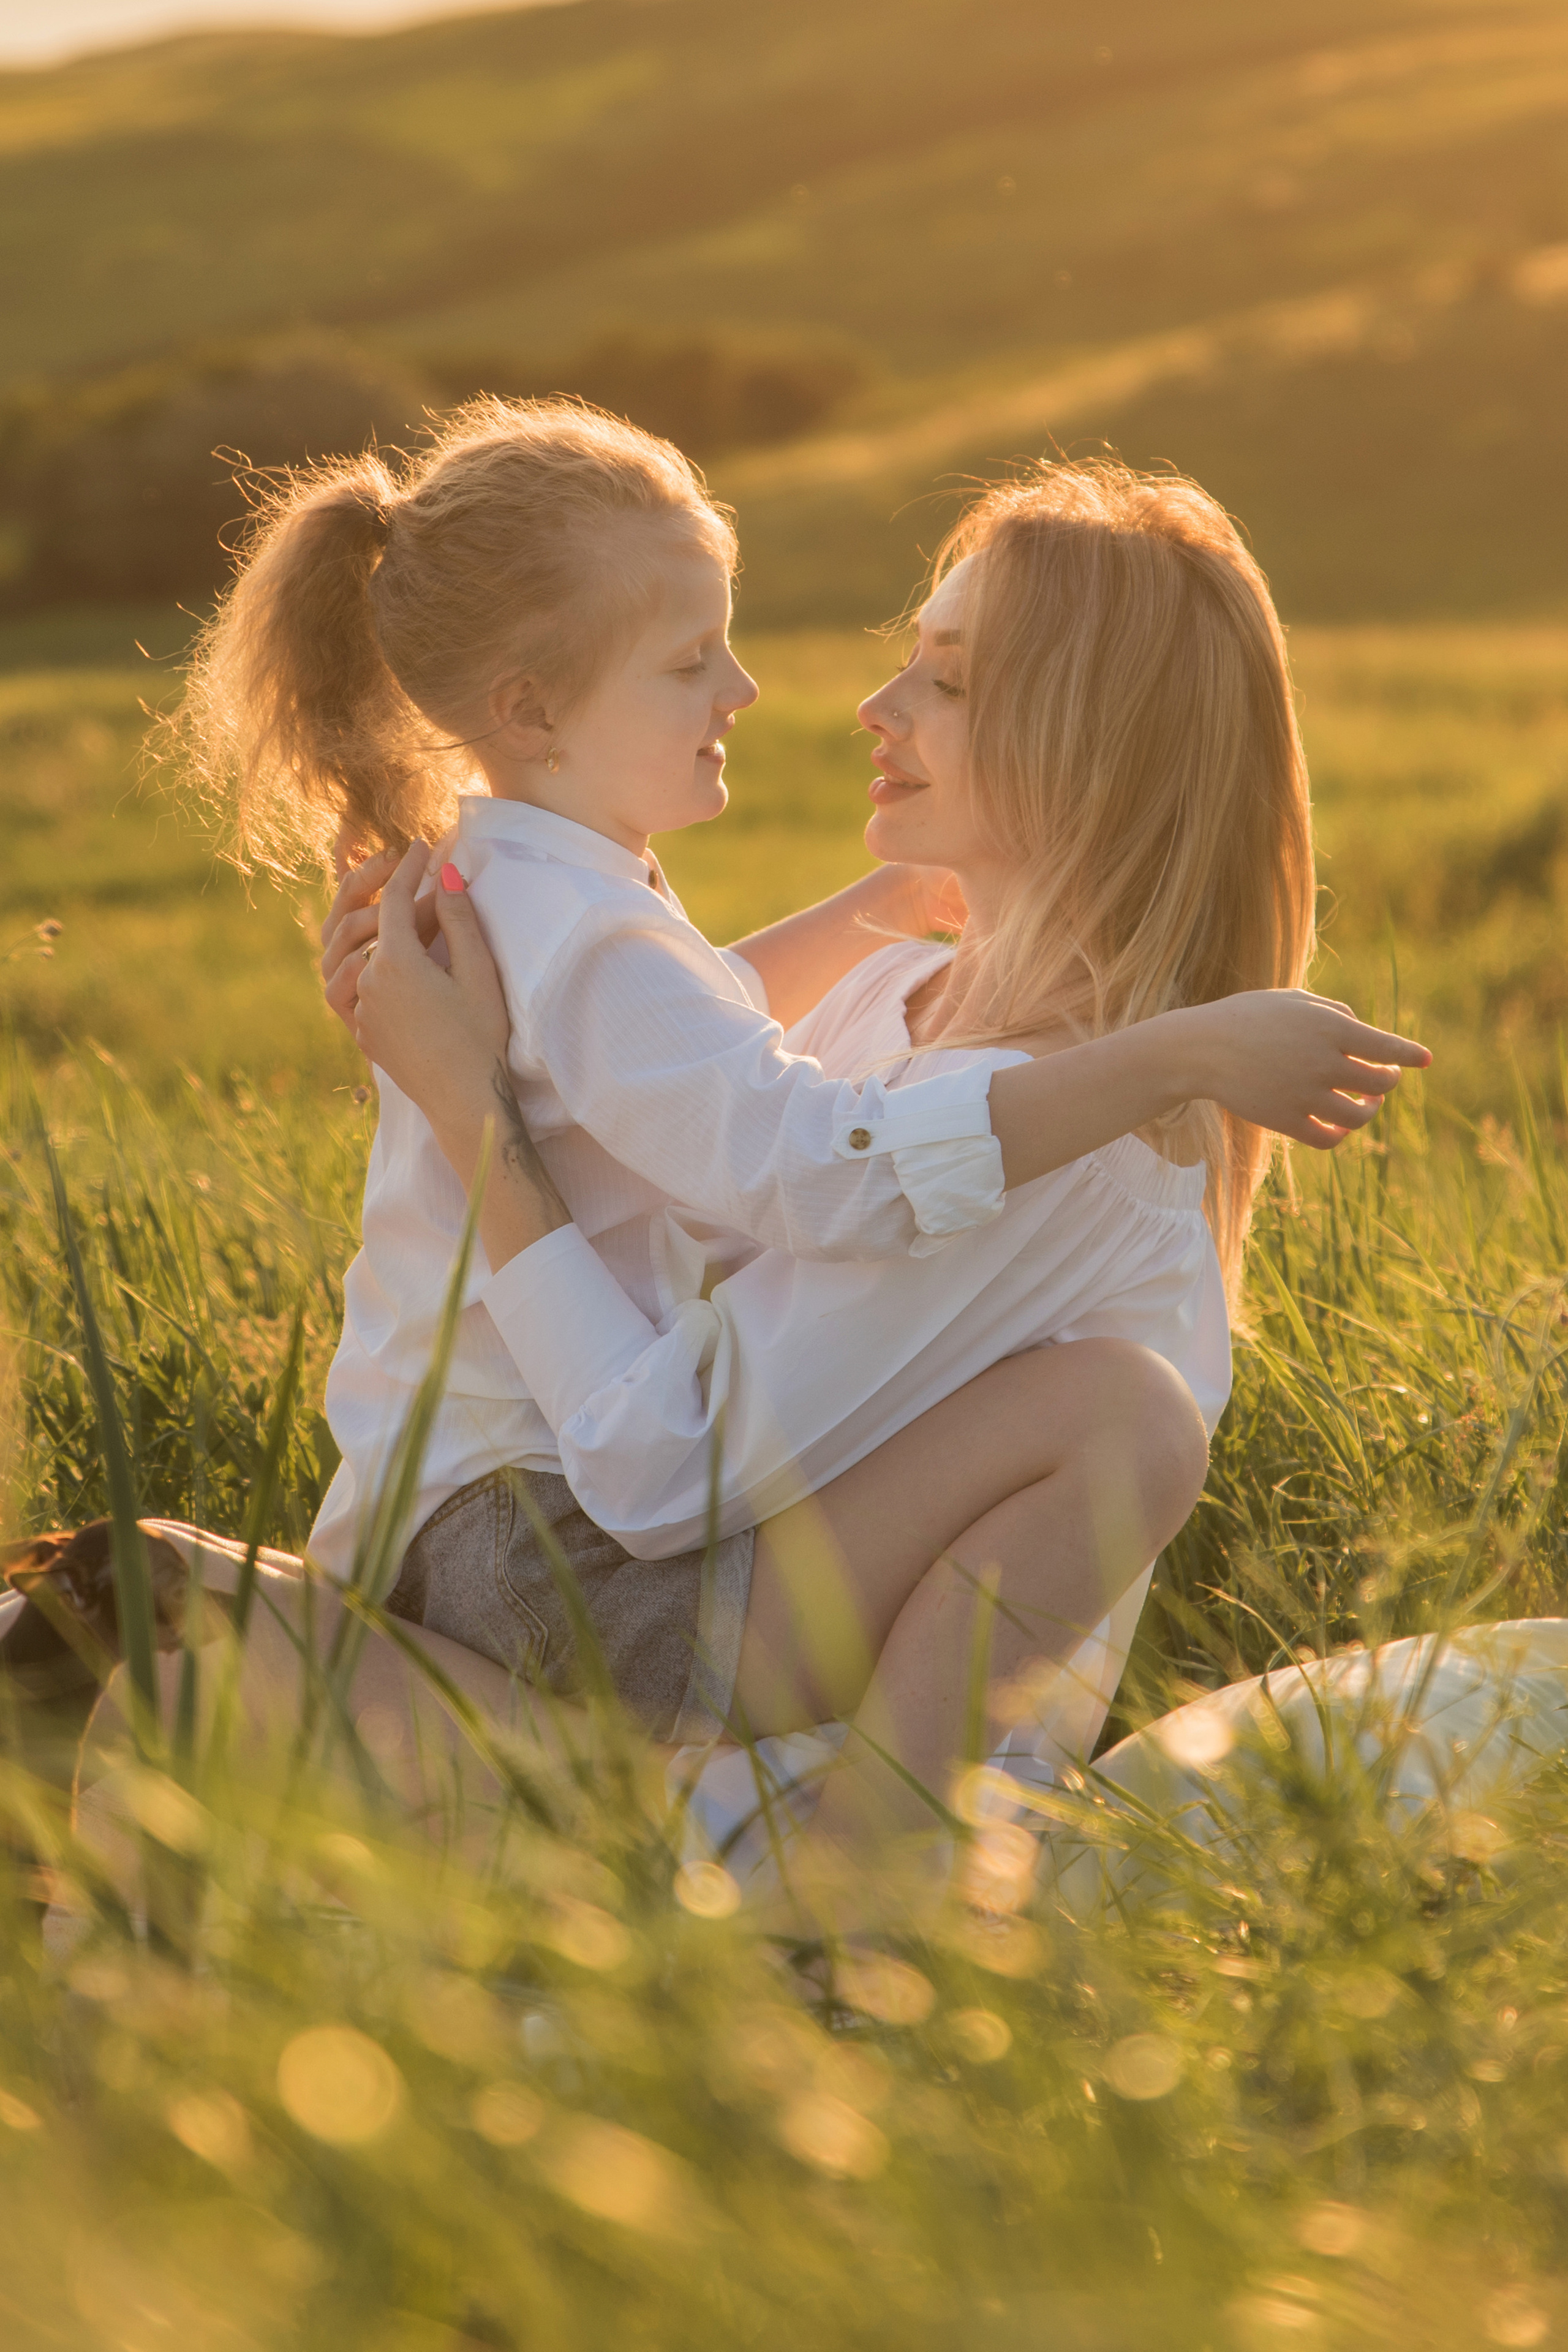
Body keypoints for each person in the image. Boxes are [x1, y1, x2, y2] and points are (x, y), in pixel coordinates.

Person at [270, 432, 1424, 1873]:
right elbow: (748, 1121)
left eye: (944, 680)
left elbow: (693, 1360)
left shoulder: (1056, 1138)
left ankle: (845, 1890)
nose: (867, 705)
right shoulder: (889, 1003)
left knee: (1118, 1410)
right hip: (560, 1558)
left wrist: (467, 1102)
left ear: (1086, 746)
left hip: (616, 1592)